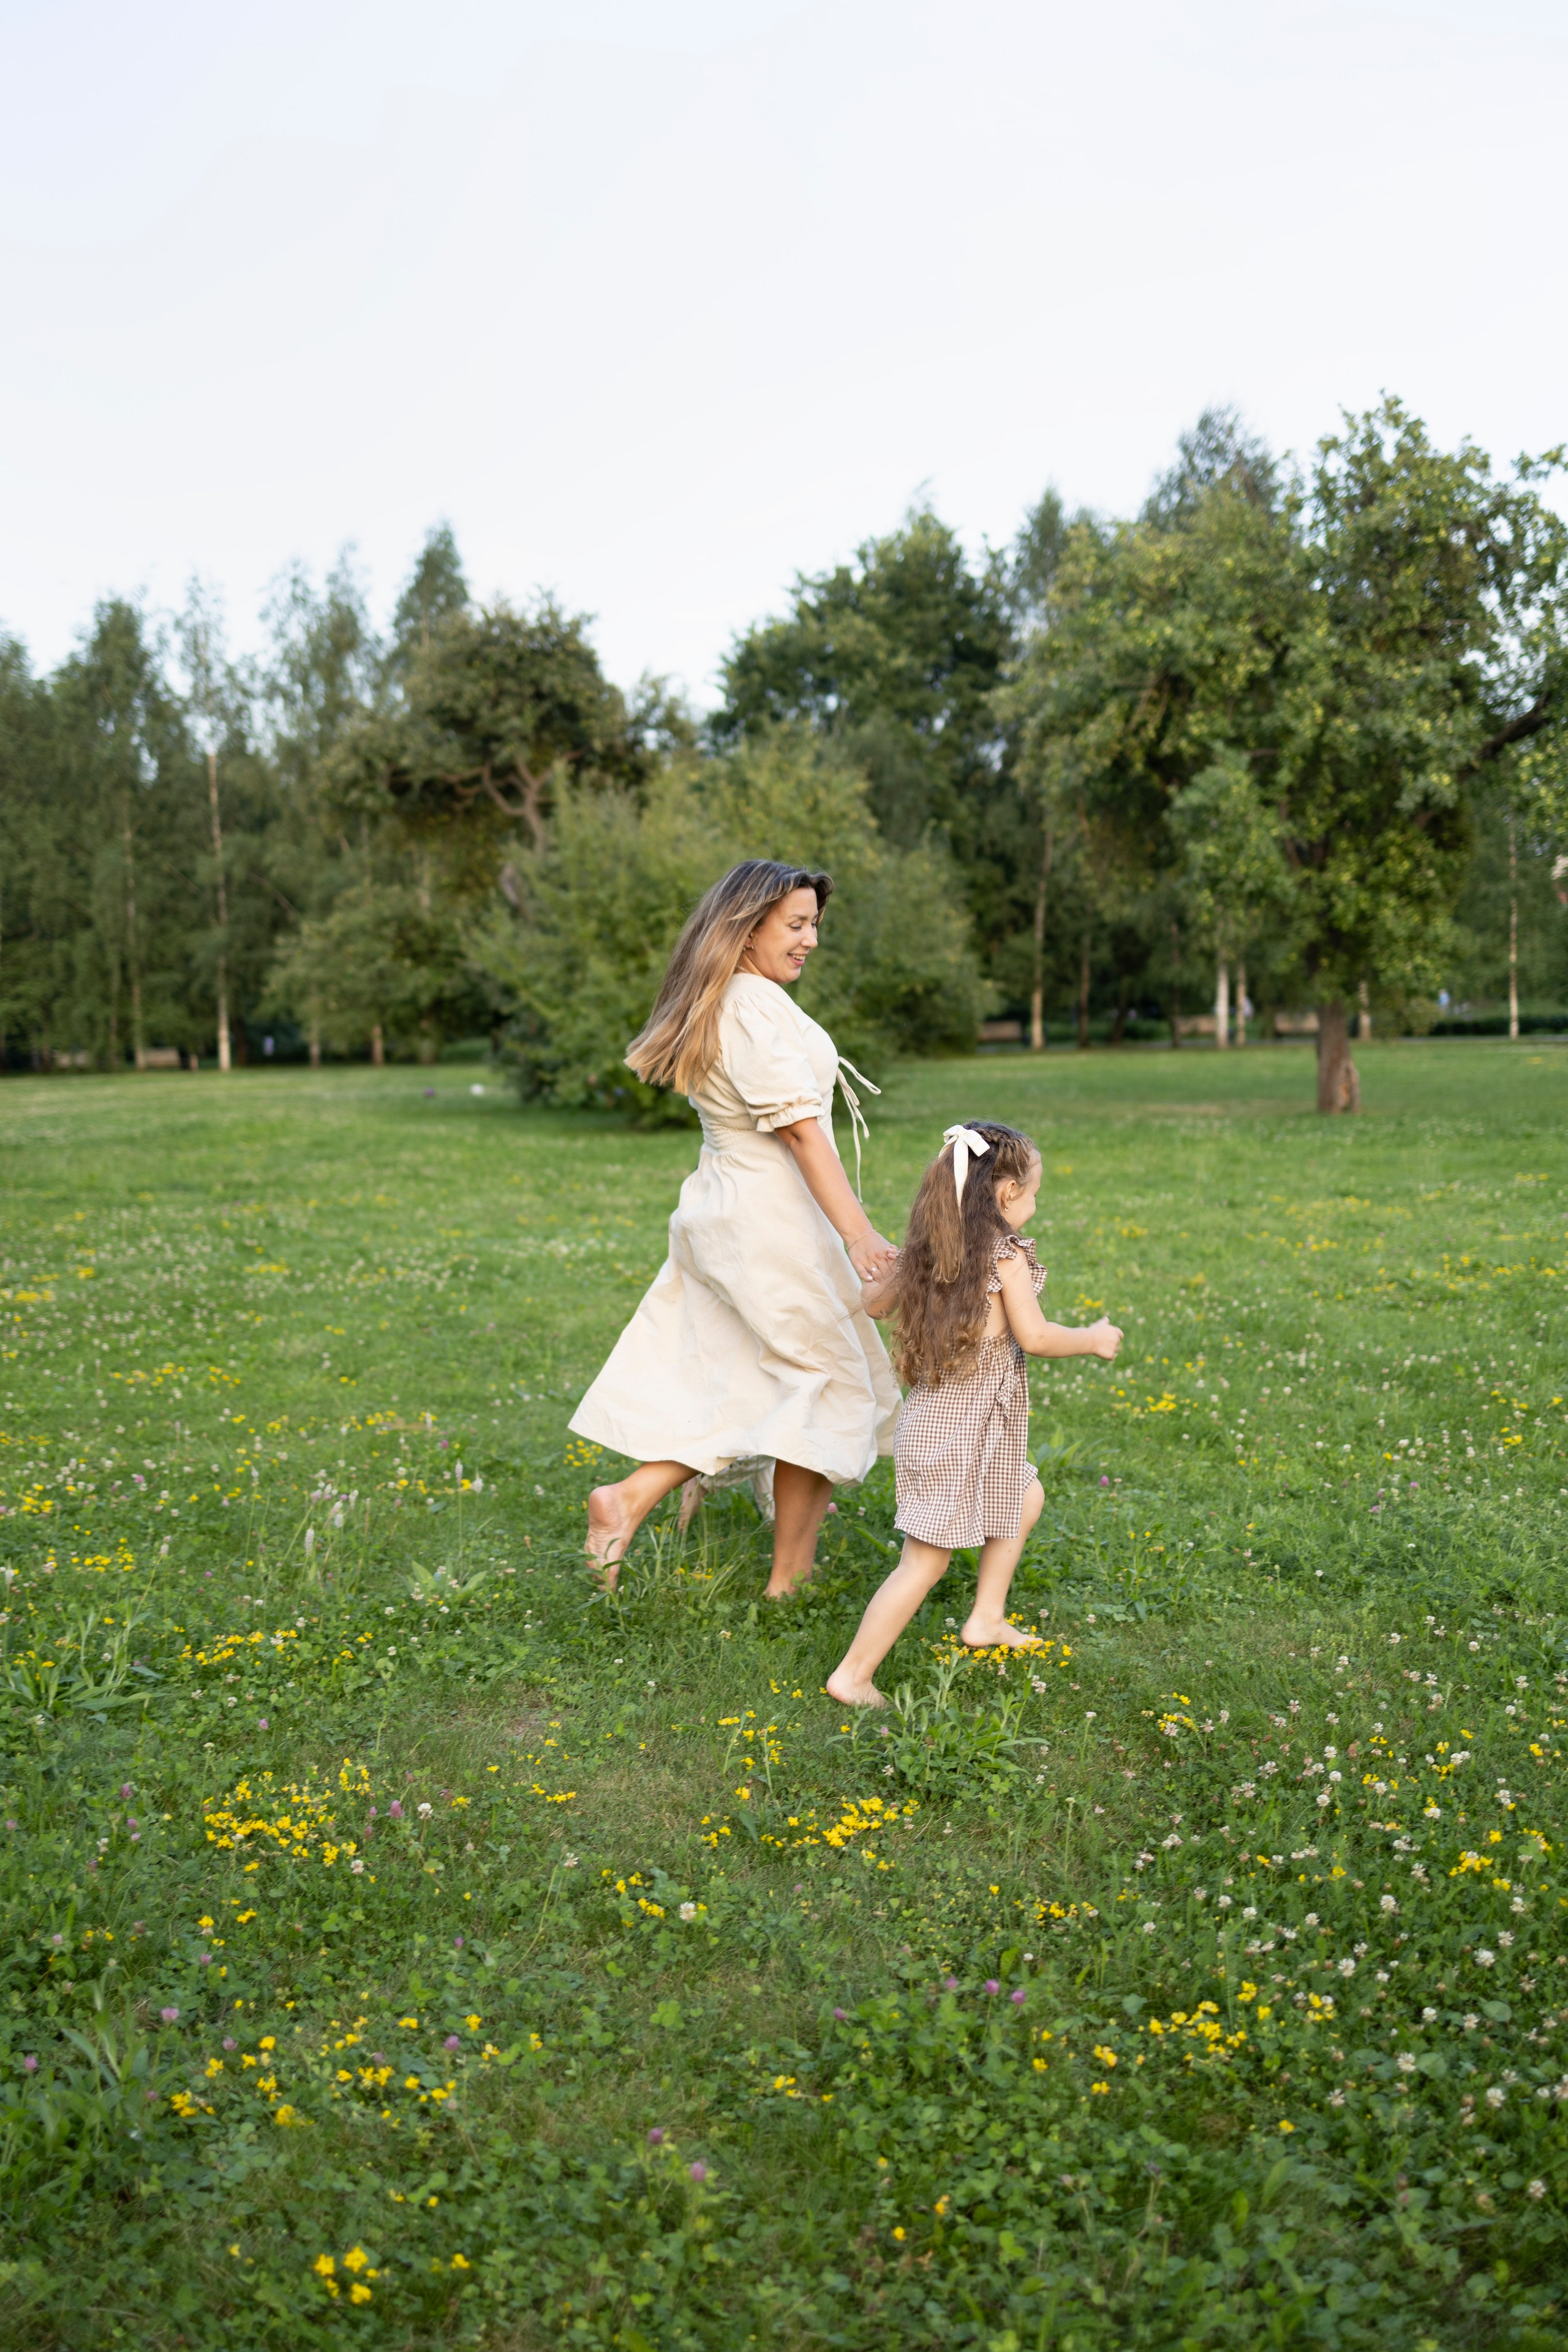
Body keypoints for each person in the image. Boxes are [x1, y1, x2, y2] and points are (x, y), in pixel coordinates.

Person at [570, 859, 902, 1594]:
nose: (811, 939)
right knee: (829, 1384)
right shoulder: (749, 1006)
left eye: (815, 923)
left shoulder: (739, 998)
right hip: (765, 1217)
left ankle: (631, 1503)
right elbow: (801, 1134)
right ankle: (787, 1580)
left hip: (738, 1206)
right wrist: (860, 1237)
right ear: (746, 927)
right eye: (796, 924)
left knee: (755, 1382)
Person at [826, 1120, 1123, 1707]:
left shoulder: (930, 1252)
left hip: (946, 1424)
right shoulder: (1004, 1259)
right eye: (1034, 1192)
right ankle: (853, 1676)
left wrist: (893, 1272)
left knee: (1025, 1495)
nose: (1035, 1202)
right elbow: (1035, 1336)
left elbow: (874, 1304)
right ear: (1008, 1193)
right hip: (956, 1431)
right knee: (923, 1563)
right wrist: (1090, 1337)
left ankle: (986, 1618)